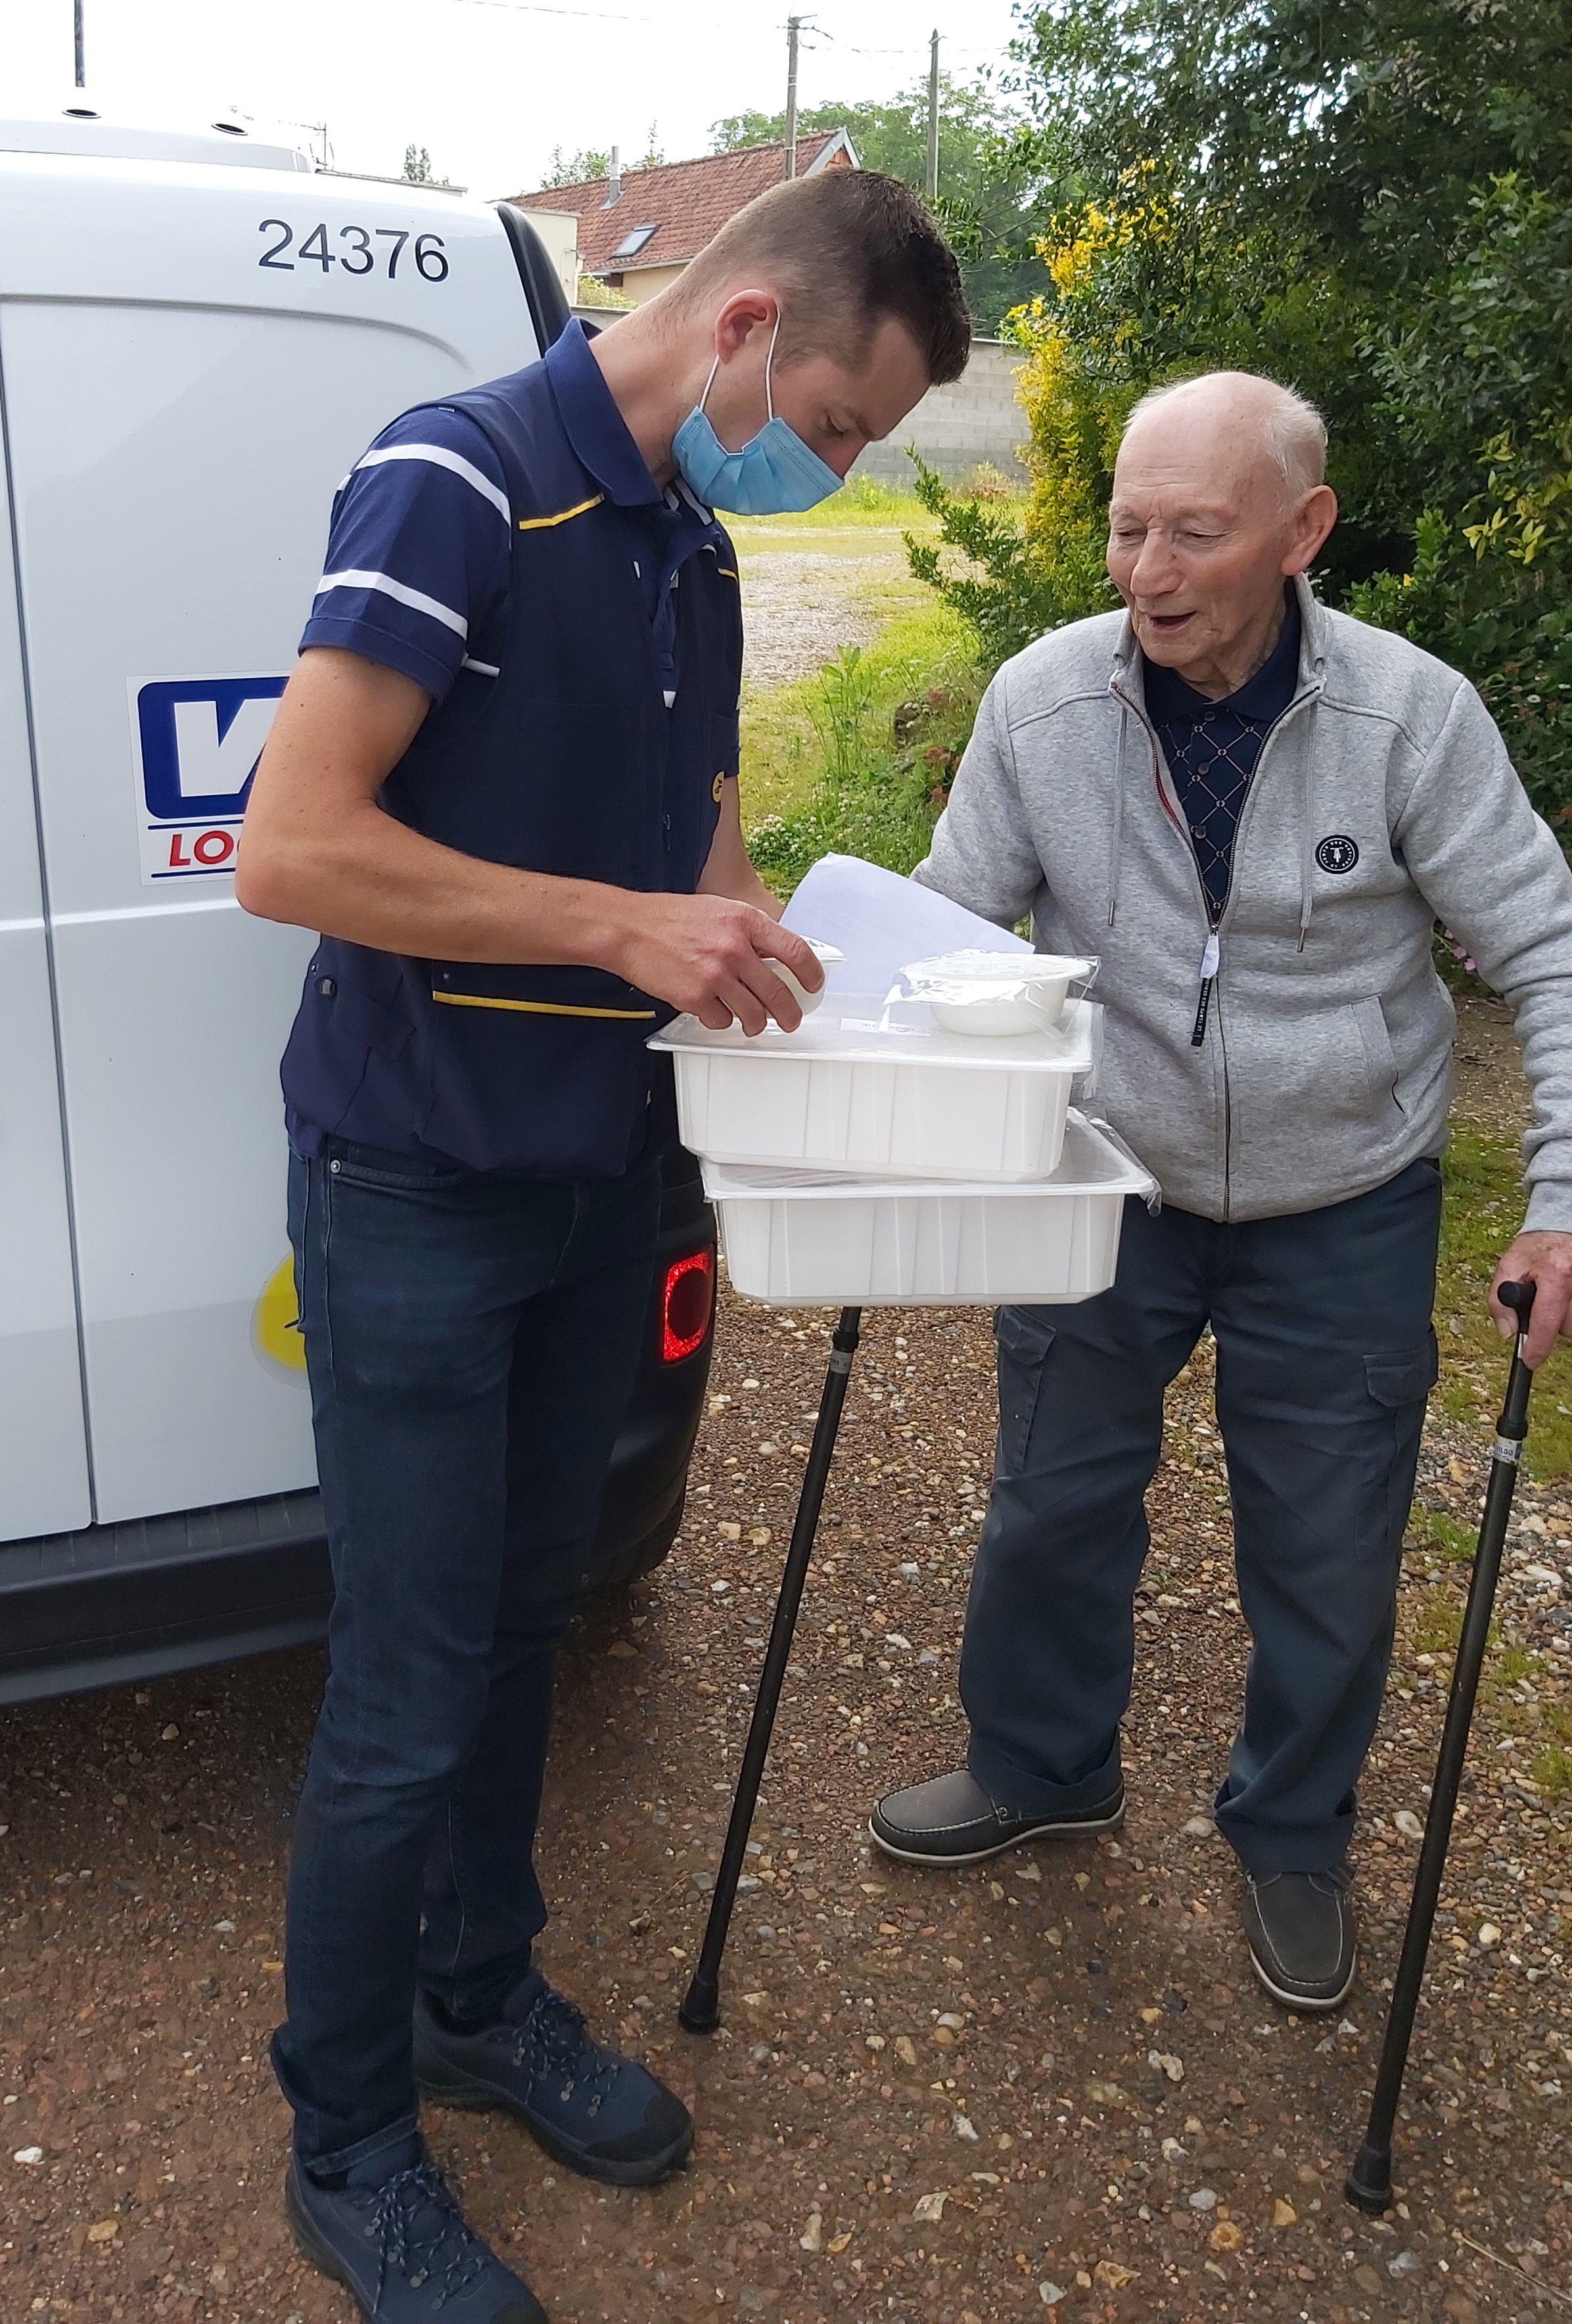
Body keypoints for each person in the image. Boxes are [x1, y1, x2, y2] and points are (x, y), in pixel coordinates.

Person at [237, 168, 971, 2324]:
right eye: (833, 421)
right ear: (742, 328)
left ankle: (478, 1991)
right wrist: (618, 924)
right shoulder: (452, 476)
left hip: (597, 1176)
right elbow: (294, 845)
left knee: (525, 1622)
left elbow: (708, 849)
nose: (828, 469)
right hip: (418, 1178)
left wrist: (787, 966)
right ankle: (348, 2129)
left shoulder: (696, 548)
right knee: (398, 1683)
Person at [870, 371, 1572, 2017]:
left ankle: (1291, 1829)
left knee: (1327, 1553)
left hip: (1343, 1196)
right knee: (1048, 1501)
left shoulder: (1409, 716)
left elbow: (1550, 951)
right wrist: (848, 1062)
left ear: (1299, 530)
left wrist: (1559, 1200)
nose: (1148, 570)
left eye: (1194, 531)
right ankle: (1043, 1763)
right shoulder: (1042, 701)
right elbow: (948, 928)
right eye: (1127, 526)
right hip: (1102, 1174)